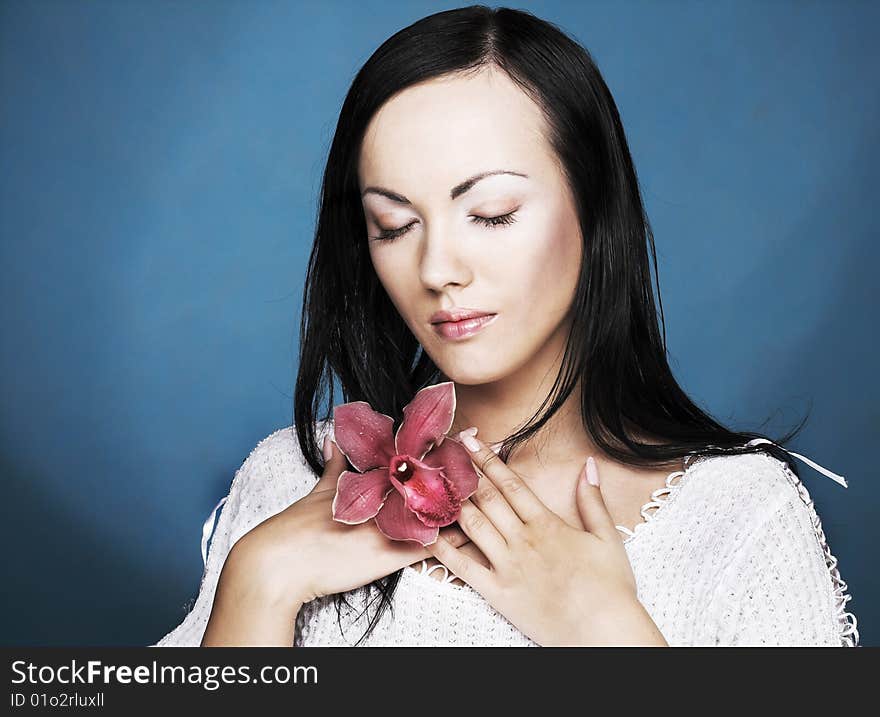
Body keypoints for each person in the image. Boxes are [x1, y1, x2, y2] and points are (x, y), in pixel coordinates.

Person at [151, 5, 858, 647]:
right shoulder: (292, 480)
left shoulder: (738, 516)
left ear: (594, 207)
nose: (437, 268)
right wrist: (259, 581)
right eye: (393, 225)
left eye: (490, 213)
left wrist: (608, 633)